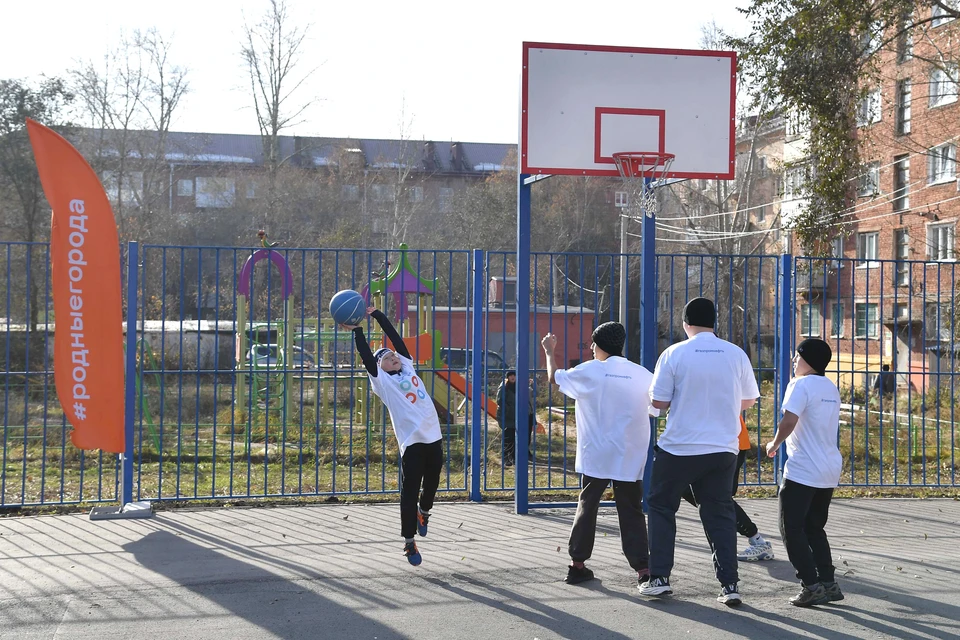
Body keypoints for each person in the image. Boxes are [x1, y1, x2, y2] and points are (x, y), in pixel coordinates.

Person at [641, 297, 760, 607]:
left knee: (661, 507)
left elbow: (659, 402)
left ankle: (659, 578)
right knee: (719, 512)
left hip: (680, 448)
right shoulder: (736, 354)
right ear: (714, 323)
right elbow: (748, 400)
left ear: (685, 323)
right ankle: (729, 585)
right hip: (723, 448)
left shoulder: (674, 354)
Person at [541, 322, 655, 589]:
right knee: (631, 510)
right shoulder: (642, 374)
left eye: (593, 344)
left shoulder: (589, 371)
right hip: (629, 454)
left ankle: (577, 564)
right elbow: (655, 408)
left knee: (588, 506)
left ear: (600, 345)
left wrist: (549, 351)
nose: (591, 349)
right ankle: (643, 569)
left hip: (596, 453)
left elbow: (554, 376)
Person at [346, 306, 443, 567]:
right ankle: (409, 542)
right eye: (388, 357)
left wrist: (378, 315)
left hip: (434, 436)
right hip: (412, 443)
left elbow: (395, 339)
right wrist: (358, 331)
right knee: (409, 492)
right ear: (380, 366)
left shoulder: (409, 368)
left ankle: (424, 513)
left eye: (394, 355)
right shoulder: (382, 383)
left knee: (432, 482)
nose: (394, 357)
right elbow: (367, 357)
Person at [765, 338, 844, 607]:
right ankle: (829, 583)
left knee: (790, 528)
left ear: (808, 360)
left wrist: (774, 444)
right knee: (814, 528)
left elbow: (789, 420)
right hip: (828, 468)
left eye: (797, 357)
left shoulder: (799, 385)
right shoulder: (830, 387)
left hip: (803, 469)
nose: (793, 362)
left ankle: (811, 585)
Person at [681, 415, 774, 562]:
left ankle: (756, 540)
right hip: (710, 441)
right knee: (703, 494)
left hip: (725, 442)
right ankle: (754, 539)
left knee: (716, 497)